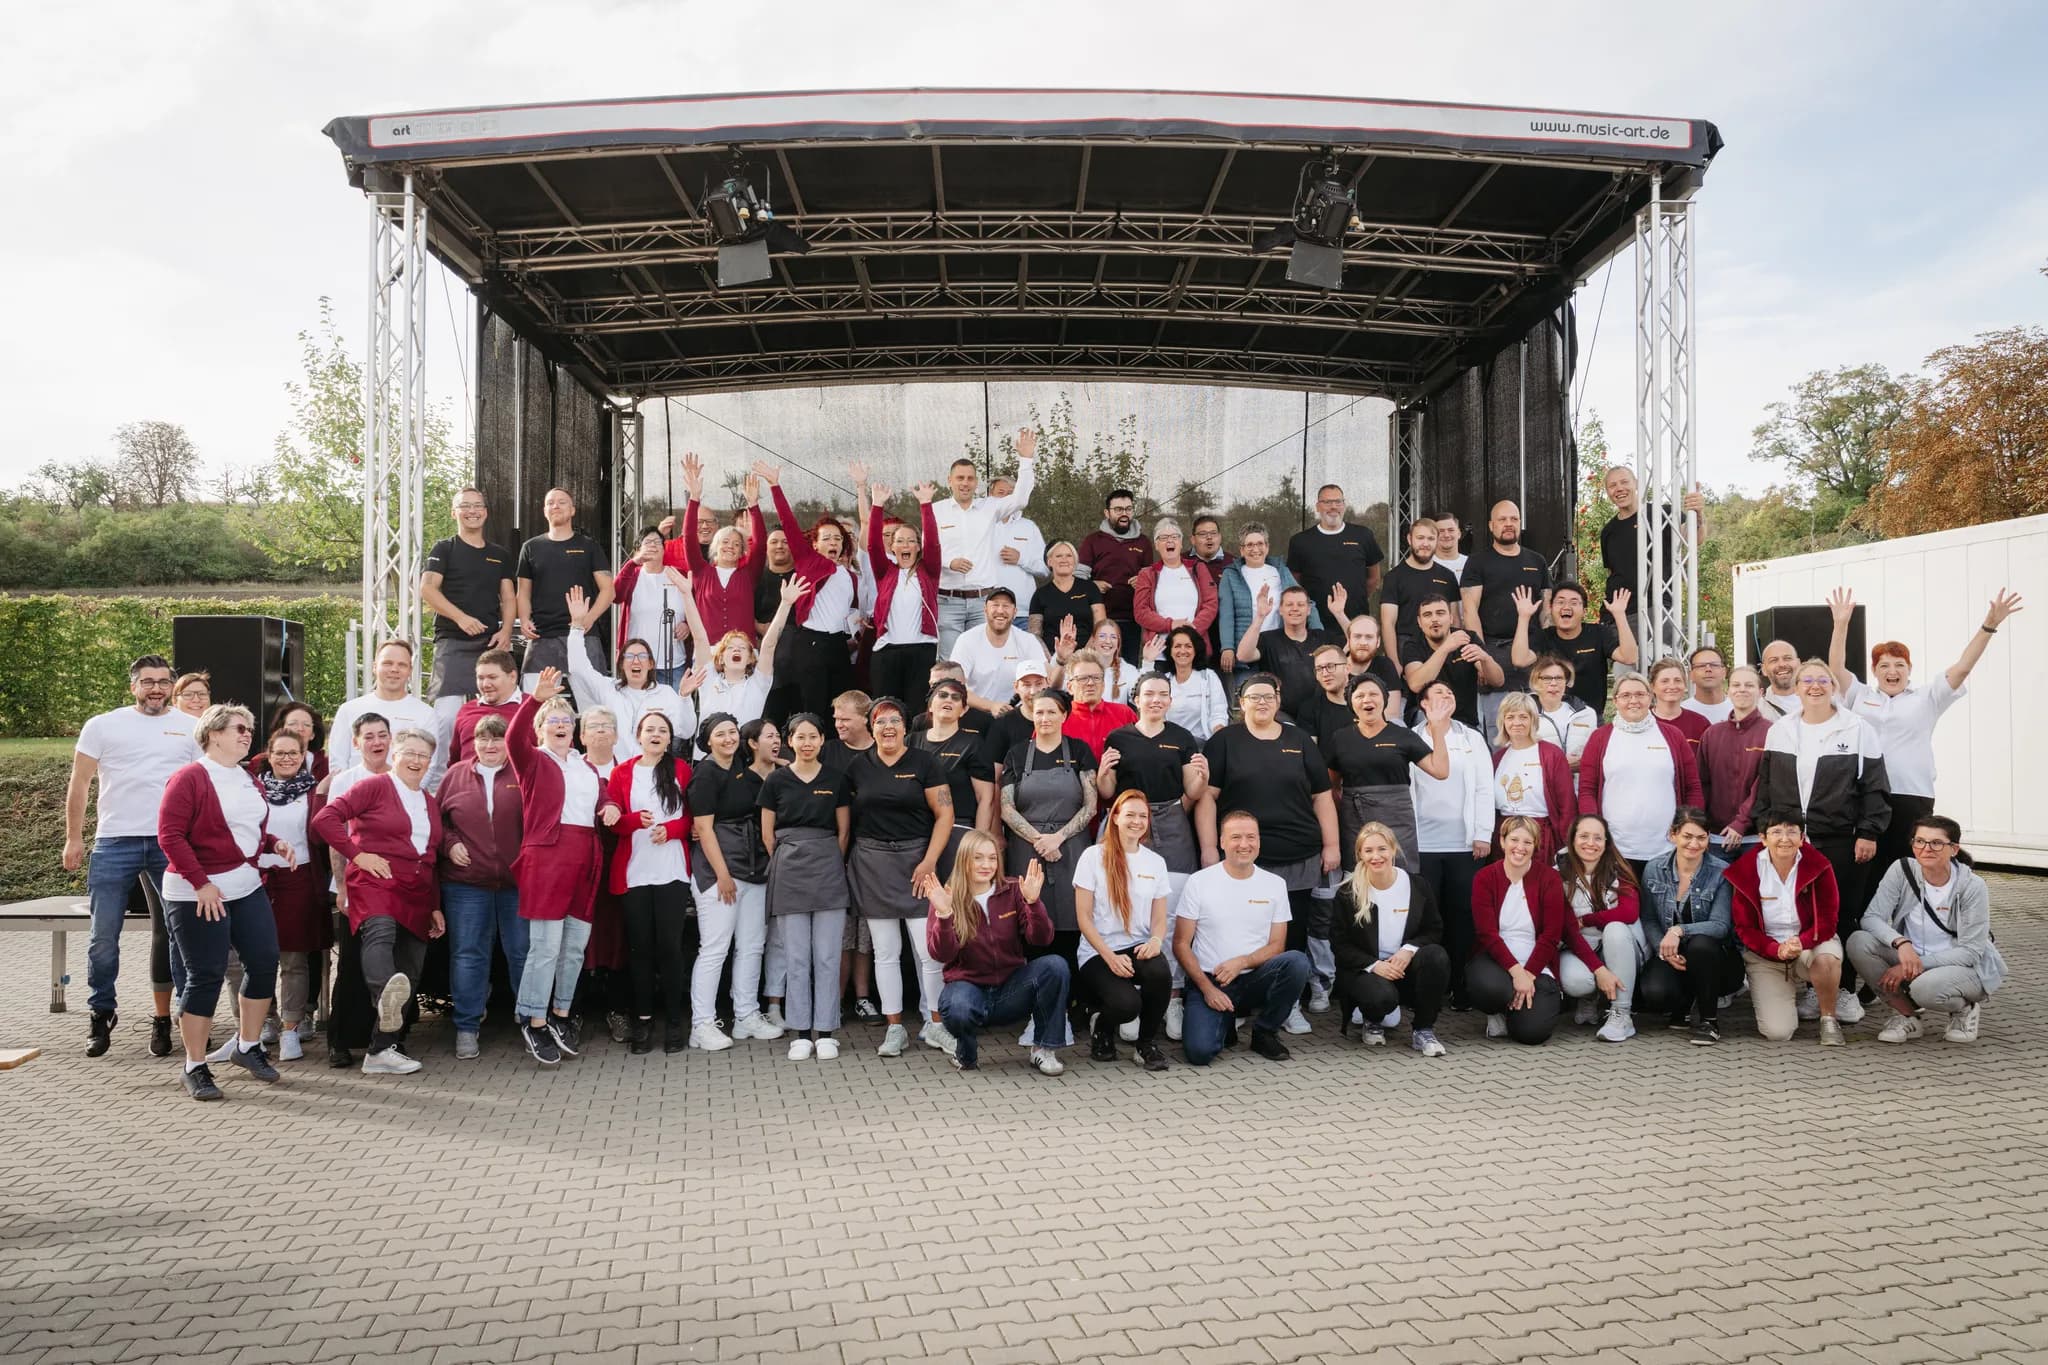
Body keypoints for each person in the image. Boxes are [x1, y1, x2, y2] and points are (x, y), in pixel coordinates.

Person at [1828, 586, 2023, 869]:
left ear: (1909, 669)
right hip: (1864, 794)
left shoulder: (1927, 698)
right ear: (1874, 671)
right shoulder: (1860, 695)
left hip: (1911, 793)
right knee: (1865, 868)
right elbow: (1836, 668)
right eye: (1884, 666)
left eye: (1899, 665)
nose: (1892, 671)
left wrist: (1988, 626)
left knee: (1907, 867)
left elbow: (1962, 668)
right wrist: (1841, 624)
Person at [65, 655, 197, 1059]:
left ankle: (180, 1019)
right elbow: (80, 782)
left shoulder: (192, 728)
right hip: (114, 842)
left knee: (180, 934)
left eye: (162, 681)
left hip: (169, 843)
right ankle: (101, 1013)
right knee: (103, 937)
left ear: (171, 687)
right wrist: (74, 838)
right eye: (146, 681)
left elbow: (206, 787)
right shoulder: (103, 725)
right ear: (133, 687)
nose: (154, 688)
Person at [158, 704, 292, 1100]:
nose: (247, 733)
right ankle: (194, 1066)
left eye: (249, 728)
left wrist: (273, 843)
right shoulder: (189, 778)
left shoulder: (250, 778)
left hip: (244, 885)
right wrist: (201, 884)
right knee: (205, 975)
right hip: (196, 893)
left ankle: (247, 1046)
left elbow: (246, 830)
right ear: (213, 733)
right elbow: (169, 836)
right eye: (238, 727)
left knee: (266, 961)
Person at [1749, 655, 1889, 1016]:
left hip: (1841, 839)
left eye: (1822, 680)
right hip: (1790, 840)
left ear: (1834, 687)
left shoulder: (1857, 728)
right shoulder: (1779, 730)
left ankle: (1843, 990)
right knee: (1804, 914)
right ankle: (1814, 988)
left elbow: (1874, 788)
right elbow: (1765, 784)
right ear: (1796, 689)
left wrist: (1869, 832)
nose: (1814, 686)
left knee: (1842, 914)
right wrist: (1765, 825)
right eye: (1806, 680)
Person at [1200, 673, 1338, 1032]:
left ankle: (1286, 1003)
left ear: (1278, 700)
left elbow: (1322, 796)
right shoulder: (1224, 742)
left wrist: (1332, 844)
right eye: (1253, 696)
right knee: (1245, 931)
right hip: (1244, 857)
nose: (1262, 702)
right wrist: (1208, 849)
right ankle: (1246, 998)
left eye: (1269, 696)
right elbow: (1207, 799)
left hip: (1299, 855)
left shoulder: (1300, 741)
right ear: (1240, 703)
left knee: (1292, 935)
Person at [310, 724, 447, 1077]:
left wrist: (434, 905)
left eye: (424, 756)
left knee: (411, 969)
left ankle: (381, 1050)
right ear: (395, 755)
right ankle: (384, 995)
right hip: (376, 881)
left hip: (416, 892)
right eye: (410, 753)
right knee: (381, 934)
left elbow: (429, 857)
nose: (417, 761)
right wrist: (358, 856)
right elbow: (325, 819)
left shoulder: (430, 802)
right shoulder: (374, 786)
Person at [505, 671, 607, 1066]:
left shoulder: (586, 767)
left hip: (585, 856)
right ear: (541, 729)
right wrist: (535, 699)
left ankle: (561, 1015)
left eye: (567, 721)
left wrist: (608, 806)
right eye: (554, 720)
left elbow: (601, 798)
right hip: (548, 856)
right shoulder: (533, 761)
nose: (562, 725)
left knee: (574, 946)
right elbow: (513, 739)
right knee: (545, 946)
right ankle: (534, 1018)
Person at [845, 697, 954, 1056]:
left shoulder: (926, 762)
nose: (888, 727)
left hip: (917, 863)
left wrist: (929, 861)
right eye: (880, 721)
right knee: (886, 953)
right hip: (873, 864)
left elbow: (945, 816)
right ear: (870, 727)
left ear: (906, 727)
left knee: (928, 952)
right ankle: (895, 1029)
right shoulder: (857, 767)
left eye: (894, 720)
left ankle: (936, 1024)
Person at [1848, 814, 2006, 1045]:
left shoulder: (1972, 886)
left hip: (1963, 966)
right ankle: (1907, 1017)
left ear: (1954, 849)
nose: (1926, 848)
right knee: (1858, 942)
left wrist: (1911, 966)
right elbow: (1872, 918)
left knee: (1925, 989)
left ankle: (1965, 1009)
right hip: (1913, 956)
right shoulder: (1901, 870)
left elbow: (1971, 952)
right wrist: (1901, 943)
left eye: (1937, 843)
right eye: (1919, 841)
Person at [1174, 811, 1314, 1065]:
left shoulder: (1274, 884)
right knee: (1199, 1053)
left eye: (1251, 837)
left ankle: (1265, 1031)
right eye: (1236, 837)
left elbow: (1277, 945)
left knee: (1297, 962)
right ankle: (1224, 1022)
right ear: (1222, 842)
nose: (1244, 844)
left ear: (1259, 842)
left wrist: (1242, 962)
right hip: (1210, 980)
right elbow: (1181, 944)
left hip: (1254, 977)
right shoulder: (1199, 882)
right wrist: (1207, 989)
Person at [1469, 816, 1617, 1045]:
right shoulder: (1485, 877)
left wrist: (1598, 969)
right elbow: (1487, 934)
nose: (1520, 848)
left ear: (1536, 845)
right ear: (1502, 841)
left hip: (1537, 963)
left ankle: (1515, 1013)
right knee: (1491, 989)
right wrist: (1517, 974)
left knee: (1533, 1034)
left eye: (1528, 842)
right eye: (1514, 840)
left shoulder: (1549, 878)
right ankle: (1497, 1010)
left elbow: (1557, 932)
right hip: (1495, 959)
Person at [927, 833, 1065, 1074]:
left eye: (992, 858)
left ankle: (1043, 1050)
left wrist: (1033, 903)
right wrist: (944, 916)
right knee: (958, 1007)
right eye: (978, 858)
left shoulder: (1012, 890)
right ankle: (966, 1056)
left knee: (1055, 965)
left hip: (1010, 990)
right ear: (964, 860)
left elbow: (1042, 939)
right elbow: (941, 953)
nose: (986, 865)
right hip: (968, 988)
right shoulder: (947, 896)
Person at [1000, 688, 1100, 1020]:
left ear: (1064, 715)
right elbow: (1006, 808)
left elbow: (1090, 804)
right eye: (1039, 712)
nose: (1044, 718)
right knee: (1031, 924)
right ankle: (1034, 1005)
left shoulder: (1080, 752)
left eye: (1051, 712)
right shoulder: (1016, 754)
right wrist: (1039, 839)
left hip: (1071, 846)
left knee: (1072, 923)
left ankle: (1074, 1004)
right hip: (1026, 847)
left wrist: (1058, 837)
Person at [685, 712, 782, 1050]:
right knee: (714, 948)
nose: (728, 738)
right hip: (720, 873)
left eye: (732, 732)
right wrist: (722, 875)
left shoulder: (742, 767)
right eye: (721, 734)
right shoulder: (705, 775)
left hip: (754, 868)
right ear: (708, 740)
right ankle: (702, 1024)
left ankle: (746, 1015)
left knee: (753, 945)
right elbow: (704, 830)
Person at [761, 713, 853, 1060]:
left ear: (821, 740)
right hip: (789, 870)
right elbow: (767, 834)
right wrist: (791, 854)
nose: (807, 743)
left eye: (813, 736)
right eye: (800, 737)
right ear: (790, 741)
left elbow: (843, 832)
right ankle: (800, 1032)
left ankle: (826, 1031)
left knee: (827, 956)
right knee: (797, 957)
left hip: (828, 866)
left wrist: (827, 855)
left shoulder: (836, 778)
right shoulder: (776, 781)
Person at [436, 714, 525, 1060]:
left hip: (515, 883)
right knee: (469, 954)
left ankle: (530, 1019)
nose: (489, 746)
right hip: (467, 884)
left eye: (497, 739)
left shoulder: (522, 772)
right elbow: (437, 821)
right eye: (482, 739)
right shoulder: (455, 775)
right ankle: (467, 1026)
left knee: (521, 951)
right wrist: (449, 843)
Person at [1071, 791, 1173, 1069]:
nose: (1137, 821)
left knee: (1160, 971)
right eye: (1130, 814)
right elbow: (1084, 918)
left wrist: (1155, 939)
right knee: (1127, 1005)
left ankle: (1146, 1044)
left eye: (1143, 816)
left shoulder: (1155, 862)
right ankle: (1102, 1028)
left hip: (1138, 944)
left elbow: (1160, 918)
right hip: (1098, 950)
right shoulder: (1092, 857)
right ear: (1115, 817)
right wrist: (1110, 957)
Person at [1407, 679, 1493, 1010]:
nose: (1447, 697)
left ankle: (1461, 985)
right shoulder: (1413, 739)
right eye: (1439, 693)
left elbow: (1484, 787)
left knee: (1463, 918)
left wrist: (1483, 833)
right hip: (1424, 845)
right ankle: (1430, 986)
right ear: (1424, 704)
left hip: (1464, 845)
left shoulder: (1471, 738)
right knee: (1430, 918)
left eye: (1451, 692)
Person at [1727, 809, 1846, 1044]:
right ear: (1763, 838)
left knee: (1828, 959)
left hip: (1810, 944)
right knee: (1778, 1033)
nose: (1784, 838)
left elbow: (1827, 920)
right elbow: (1744, 927)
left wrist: (1801, 942)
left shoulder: (1819, 866)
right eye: (1776, 832)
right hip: (1766, 953)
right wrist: (1775, 949)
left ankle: (1829, 1019)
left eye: (1792, 832)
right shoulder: (1745, 871)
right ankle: (1785, 996)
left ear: (1802, 838)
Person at [1330, 823, 1450, 1056]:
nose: (1376, 856)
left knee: (1436, 956)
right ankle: (1372, 1018)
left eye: (1382, 849)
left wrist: (1409, 949)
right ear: (1360, 855)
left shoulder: (1417, 885)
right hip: (1367, 971)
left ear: (1394, 849)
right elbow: (1339, 943)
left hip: (1404, 967)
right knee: (1380, 998)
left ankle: (1423, 1030)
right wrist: (1375, 966)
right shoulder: (1347, 893)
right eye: (1369, 851)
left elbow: (1434, 929)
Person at [1577, 674, 1705, 881]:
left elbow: (1692, 787)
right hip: (1616, 849)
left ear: (1650, 697)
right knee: (1624, 913)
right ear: (1615, 700)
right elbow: (1587, 789)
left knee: (1661, 913)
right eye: (1626, 695)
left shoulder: (1672, 735)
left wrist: (1689, 828)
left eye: (1639, 694)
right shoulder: (1600, 738)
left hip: (1666, 848)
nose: (1633, 700)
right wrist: (1593, 828)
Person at [318, 714, 390, 1070]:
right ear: (356, 742)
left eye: (382, 735)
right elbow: (337, 837)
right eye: (369, 736)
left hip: (395, 888)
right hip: (356, 886)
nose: (377, 742)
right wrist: (342, 886)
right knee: (351, 964)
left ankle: (385, 1038)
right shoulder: (346, 780)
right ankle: (340, 1041)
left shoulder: (403, 774)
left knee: (390, 966)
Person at [1325, 674, 1452, 873]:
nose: (1367, 700)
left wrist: (1436, 729)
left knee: (1401, 873)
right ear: (1351, 702)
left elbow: (1440, 770)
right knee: (1359, 877)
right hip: (1355, 819)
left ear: (1384, 699)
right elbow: (1331, 786)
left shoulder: (1403, 735)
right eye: (1360, 696)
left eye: (1374, 694)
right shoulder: (1340, 738)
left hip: (1398, 816)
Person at [255, 728, 328, 1063]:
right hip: (256, 879)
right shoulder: (252, 790)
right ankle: (262, 1021)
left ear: (303, 757)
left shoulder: (314, 792)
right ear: (269, 755)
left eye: (293, 753)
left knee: (294, 960)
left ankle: (290, 1029)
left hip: (299, 879)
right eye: (279, 752)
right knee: (254, 958)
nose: (286, 758)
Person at [931, 431, 1039, 655]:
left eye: (970, 478)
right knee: (950, 662)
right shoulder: (935, 510)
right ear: (950, 481)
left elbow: (1020, 499)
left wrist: (1026, 460)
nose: (965, 483)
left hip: (982, 602)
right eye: (960, 478)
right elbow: (927, 552)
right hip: (947, 601)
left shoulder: (989, 507)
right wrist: (949, 563)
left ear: (976, 482)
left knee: (984, 658)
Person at [1634, 807, 1736, 1044]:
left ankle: (1709, 1021)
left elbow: (1720, 925)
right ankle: (1683, 1003)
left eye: (1701, 837)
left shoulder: (1721, 871)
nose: (1694, 843)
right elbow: (1648, 917)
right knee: (1655, 993)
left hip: (1714, 958)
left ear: (1708, 838)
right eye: (1687, 836)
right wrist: (1665, 948)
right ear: (1673, 835)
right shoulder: (1654, 869)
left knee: (1700, 945)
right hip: (1673, 954)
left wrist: (1678, 930)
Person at [422, 488, 518, 730]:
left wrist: (506, 631)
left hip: (489, 644)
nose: (472, 511)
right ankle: (443, 769)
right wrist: (460, 618)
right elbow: (428, 589)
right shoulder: (443, 549)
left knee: (495, 716)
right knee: (446, 717)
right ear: (454, 513)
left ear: (485, 513)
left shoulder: (500, 555)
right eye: (465, 506)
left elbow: (508, 598)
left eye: (477, 506)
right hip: (452, 642)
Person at [566, 586, 701, 750]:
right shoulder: (608, 689)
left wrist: (684, 697)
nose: (636, 661)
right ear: (621, 663)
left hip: (654, 771)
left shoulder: (666, 694)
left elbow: (686, 731)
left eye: (642, 656)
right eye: (629, 657)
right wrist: (577, 626)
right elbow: (578, 668)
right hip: (616, 772)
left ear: (651, 664)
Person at [1459, 500, 1549, 736]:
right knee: (1497, 727)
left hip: (1530, 651)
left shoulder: (1537, 561)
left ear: (1520, 523)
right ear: (1491, 525)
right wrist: (1480, 657)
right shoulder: (1477, 562)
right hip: (1492, 650)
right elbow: (1469, 612)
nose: (1509, 524)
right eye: (1502, 519)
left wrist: (1547, 654)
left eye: (1514, 519)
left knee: (1533, 723)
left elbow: (1546, 612)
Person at [856, 471, 944, 712]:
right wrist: (877, 505)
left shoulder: (930, 571)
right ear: (892, 547)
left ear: (918, 546)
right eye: (900, 541)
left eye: (911, 540)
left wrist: (925, 504)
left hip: (922, 650)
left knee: (917, 711)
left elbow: (934, 543)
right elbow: (872, 544)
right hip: (887, 652)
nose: (905, 545)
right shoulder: (885, 572)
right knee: (886, 710)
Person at [662, 453, 769, 650]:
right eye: (725, 541)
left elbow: (761, 544)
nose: (730, 546)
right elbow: (689, 537)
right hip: (707, 654)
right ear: (715, 547)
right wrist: (694, 498)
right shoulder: (701, 572)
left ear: (742, 551)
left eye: (737, 544)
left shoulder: (748, 575)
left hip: (743, 653)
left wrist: (753, 505)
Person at [515, 486, 614, 697]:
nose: (555, 506)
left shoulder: (589, 546)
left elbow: (608, 590)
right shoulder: (530, 547)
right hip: (543, 636)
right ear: (544, 511)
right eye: (550, 502)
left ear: (572, 510)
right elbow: (523, 591)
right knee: (535, 707)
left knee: (594, 706)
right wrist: (524, 619)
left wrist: (589, 619)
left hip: (583, 634)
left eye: (562, 502)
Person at [1554, 814, 1644, 1040]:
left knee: (1614, 927)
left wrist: (1587, 919)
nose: (1590, 843)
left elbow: (1629, 912)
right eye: (1584, 836)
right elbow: (1564, 925)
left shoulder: (1619, 869)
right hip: (1577, 946)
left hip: (1620, 946)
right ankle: (1589, 997)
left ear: (1606, 842)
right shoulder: (1557, 873)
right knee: (1576, 982)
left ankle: (1622, 1014)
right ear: (1572, 839)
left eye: (1598, 838)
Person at [1598, 465, 1704, 659]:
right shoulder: (1608, 532)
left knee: (1663, 676)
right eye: (1612, 485)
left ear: (1636, 484)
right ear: (1608, 492)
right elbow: (1612, 572)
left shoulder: (1662, 514)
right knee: (1628, 681)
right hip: (1621, 617)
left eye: (1624, 482)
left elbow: (1693, 539)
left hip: (1658, 610)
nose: (1619, 489)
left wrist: (1697, 514)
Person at [674, 569, 797, 728]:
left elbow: (768, 645)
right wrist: (686, 594)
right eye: (730, 648)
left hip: (744, 752)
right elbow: (699, 636)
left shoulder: (759, 683)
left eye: (742, 648)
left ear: (751, 658)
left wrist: (785, 604)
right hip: (708, 753)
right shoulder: (707, 677)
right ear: (720, 657)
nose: (736, 650)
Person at [1509, 582, 1637, 715]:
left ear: (1584, 611)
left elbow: (1629, 657)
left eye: (1574, 602)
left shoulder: (1599, 633)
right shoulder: (1544, 636)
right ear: (1550, 608)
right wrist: (1524, 617)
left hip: (1591, 716)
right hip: (1551, 716)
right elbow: (1520, 660)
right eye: (1560, 602)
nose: (1566, 606)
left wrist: (1620, 615)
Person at [331, 638, 444, 786]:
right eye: (387, 663)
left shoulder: (426, 714)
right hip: (355, 801)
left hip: (404, 801)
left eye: (401, 665)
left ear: (410, 670)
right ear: (374, 667)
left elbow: (429, 765)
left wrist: (405, 796)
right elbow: (337, 764)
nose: (394, 670)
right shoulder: (349, 710)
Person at [914, 678, 997, 879]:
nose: (948, 700)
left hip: (958, 831)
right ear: (931, 705)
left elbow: (986, 799)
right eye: (942, 695)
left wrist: (977, 844)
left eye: (956, 697)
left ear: (964, 709)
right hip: (917, 832)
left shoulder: (973, 743)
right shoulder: (912, 741)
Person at [1216, 523, 1318, 681]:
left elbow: (1306, 602)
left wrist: (1319, 637)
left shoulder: (1280, 571)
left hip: (1278, 650)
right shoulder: (1231, 575)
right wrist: (1227, 647)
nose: (1255, 549)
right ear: (1241, 550)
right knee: (1249, 699)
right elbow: (1226, 614)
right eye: (1249, 545)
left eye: (1259, 544)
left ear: (1267, 547)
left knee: (1280, 699)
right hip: (1246, 652)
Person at [1235, 583, 1340, 723]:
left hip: (1319, 713)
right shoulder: (1268, 639)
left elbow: (1354, 646)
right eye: (1289, 604)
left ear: (1309, 610)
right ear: (1280, 610)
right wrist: (1260, 617)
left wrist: (1340, 614)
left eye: (1300, 604)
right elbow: (1243, 655)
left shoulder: (1323, 638)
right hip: (1282, 716)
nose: (1295, 608)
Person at [1287, 482, 1383, 634]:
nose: (1333, 507)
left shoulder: (1363, 535)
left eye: (1338, 502)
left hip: (1355, 623)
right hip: (1315, 625)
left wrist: (1356, 599)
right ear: (1318, 507)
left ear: (1343, 505)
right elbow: (1295, 582)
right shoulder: (1300, 541)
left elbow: (1374, 578)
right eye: (1327, 502)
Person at [1490, 692, 1575, 864]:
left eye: (1523, 717)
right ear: (1503, 721)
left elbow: (1567, 803)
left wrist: (1566, 843)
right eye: (1510, 717)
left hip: (1539, 835)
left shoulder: (1551, 754)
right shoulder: (1498, 758)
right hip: (1505, 835)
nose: (1517, 723)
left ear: (1533, 720)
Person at [1401, 595, 1503, 730]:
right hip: (1426, 717)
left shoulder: (1467, 638)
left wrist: (1485, 659)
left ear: (1451, 618)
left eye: (1440, 613)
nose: (1434, 619)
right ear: (1419, 622)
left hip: (1466, 718)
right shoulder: (1413, 645)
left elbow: (1498, 681)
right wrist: (1445, 648)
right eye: (1427, 615)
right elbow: (1416, 684)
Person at [1699, 665, 1771, 852]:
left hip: (1755, 838)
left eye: (1749, 685)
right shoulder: (1712, 734)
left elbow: (1764, 784)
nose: (1742, 690)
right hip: (1716, 837)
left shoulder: (1772, 732)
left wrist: (1741, 822)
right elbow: (1701, 783)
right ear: (1728, 691)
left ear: (1760, 692)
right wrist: (1699, 824)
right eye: (1736, 685)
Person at [608, 526, 692, 685]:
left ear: (664, 548)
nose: (653, 545)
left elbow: (695, 607)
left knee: (673, 709)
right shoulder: (632, 575)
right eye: (648, 542)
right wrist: (633, 563)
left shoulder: (678, 574)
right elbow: (615, 595)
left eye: (658, 542)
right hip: (637, 664)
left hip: (673, 664)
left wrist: (687, 625)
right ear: (638, 549)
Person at [1077, 488, 1153, 664]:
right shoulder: (1093, 541)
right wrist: (1092, 585)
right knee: (1098, 667)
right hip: (1098, 619)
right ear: (1107, 512)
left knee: (1128, 668)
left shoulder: (1143, 542)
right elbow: (1078, 578)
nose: (1124, 514)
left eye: (1128, 509)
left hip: (1131, 620)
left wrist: (1143, 580)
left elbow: (1151, 580)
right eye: (1118, 509)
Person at [1380, 515, 1463, 674]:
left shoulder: (1448, 576)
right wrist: (1394, 662)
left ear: (1437, 541)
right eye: (1420, 538)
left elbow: (1455, 620)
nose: (1425, 544)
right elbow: (1388, 623)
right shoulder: (1394, 577)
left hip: (1441, 646)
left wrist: (1454, 655)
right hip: (1406, 647)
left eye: (1431, 538)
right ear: (1410, 539)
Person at [951, 586, 1052, 713]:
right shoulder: (966, 640)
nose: (1000, 610)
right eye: (995, 605)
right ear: (985, 610)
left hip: (1018, 713)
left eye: (1006, 606)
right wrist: (991, 706)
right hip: (976, 711)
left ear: (1015, 612)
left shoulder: (1028, 640)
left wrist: (1060, 660)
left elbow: (1048, 680)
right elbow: (955, 686)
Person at [1131, 518, 1219, 660]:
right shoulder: (1147, 574)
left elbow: (1211, 604)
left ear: (1181, 542)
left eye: (1174, 537)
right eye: (1163, 537)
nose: (1169, 541)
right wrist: (1170, 624)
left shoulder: (1198, 568)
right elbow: (1141, 612)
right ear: (1156, 544)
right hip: (1160, 653)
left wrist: (1191, 631)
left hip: (1194, 648)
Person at [1028, 538, 1106, 655]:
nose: (1064, 560)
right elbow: (1035, 635)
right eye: (1059, 556)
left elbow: (1101, 626)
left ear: (1075, 561)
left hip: (1087, 657)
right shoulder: (1040, 594)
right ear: (1049, 561)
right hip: (1053, 657)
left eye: (1069, 556)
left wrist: (1084, 655)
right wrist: (1050, 659)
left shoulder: (1090, 588)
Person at [984, 472, 1048, 611]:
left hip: (1022, 610)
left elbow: (1045, 569)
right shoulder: (980, 524)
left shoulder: (1028, 527)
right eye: (1001, 492)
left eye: (1011, 493)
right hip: (986, 611)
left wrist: (1021, 559)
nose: (1006, 498)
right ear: (990, 494)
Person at [449, 649, 524, 765]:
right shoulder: (467, 709)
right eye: (481, 678)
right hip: (469, 781)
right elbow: (455, 759)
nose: (485, 684)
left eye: (492, 677)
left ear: (512, 677)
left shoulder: (532, 708)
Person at [1059, 649, 1137, 758]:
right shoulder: (1057, 718)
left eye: (1096, 678)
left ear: (1104, 684)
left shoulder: (1124, 714)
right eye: (1083, 678)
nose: (1090, 683)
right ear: (1070, 687)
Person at [1158, 625, 1228, 740]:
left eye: (1188, 646)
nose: (1183, 651)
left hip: (1201, 744)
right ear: (1170, 651)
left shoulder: (1208, 677)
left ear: (1196, 650)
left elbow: (1218, 712)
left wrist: (1219, 735)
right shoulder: (1164, 681)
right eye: (1177, 646)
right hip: (1169, 744)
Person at [1528, 655, 1597, 769]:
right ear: (1535, 682)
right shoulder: (1523, 714)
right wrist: (1560, 765)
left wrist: (1583, 762)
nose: (1554, 683)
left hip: (1577, 784)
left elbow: (1596, 753)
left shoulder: (1587, 714)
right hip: (1540, 782)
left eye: (1559, 678)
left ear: (1567, 681)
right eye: (1547, 678)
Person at [1188, 513, 1236, 662]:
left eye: (1213, 533)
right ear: (1193, 539)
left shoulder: (1234, 563)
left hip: (1225, 634)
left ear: (1220, 537)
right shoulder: (1182, 562)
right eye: (1203, 534)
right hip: (1192, 631)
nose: (1209, 538)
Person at [1648, 657, 1711, 759]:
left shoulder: (1700, 723)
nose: (1672, 686)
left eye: (1677, 680)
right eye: (1665, 681)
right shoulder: (1642, 722)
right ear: (1652, 687)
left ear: (1685, 685)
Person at [251, 703, 329, 784]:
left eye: (306, 725)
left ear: (313, 734)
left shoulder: (326, 765)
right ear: (280, 729)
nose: (300, 729)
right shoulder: (258, 762)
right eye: (292, 724)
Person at [1683, 645, 1732, 724]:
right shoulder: (1681, 712)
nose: (1708, 669)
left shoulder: (1739, 709)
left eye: (1714, 665)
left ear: (1724, 672)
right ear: (1691, 675)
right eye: (1701, 666)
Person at [1756, 639, 1802, 720]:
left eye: (1787, 658)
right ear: (1764, 669)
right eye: (1774, 660)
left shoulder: (1820, 702)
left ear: (1798, 664)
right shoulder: (1757, 711)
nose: (1782, 664)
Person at [1432, 511, 1468, 580]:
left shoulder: (1471, 564)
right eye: (1441, 531)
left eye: (1451, 530)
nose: (1446, 535)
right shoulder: (1425, 565)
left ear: (1459, 534)